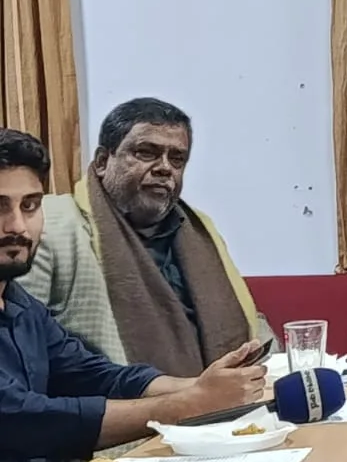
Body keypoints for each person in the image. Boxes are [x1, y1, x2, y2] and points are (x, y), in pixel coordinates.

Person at [0, 128, 266, 462]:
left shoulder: (19, 304)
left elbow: (96, 375)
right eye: (0, 207)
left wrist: (204, 386)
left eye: (30, 206)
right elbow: (25, 419)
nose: (17, 227)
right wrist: (185, 406)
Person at [17, 99, 271, 376]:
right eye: (146, 153)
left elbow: (244, 321)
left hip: (226, 395)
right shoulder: (51, 225)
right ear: (102, 162)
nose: (165, 168)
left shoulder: (199, 230)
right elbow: (18, 341)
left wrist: (274, 367)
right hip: (113, 399)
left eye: (177, 159)